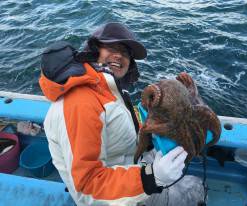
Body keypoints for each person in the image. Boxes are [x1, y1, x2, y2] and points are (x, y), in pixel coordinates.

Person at [39, 22, 204, 206]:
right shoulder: (80, 104)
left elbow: (116, 128)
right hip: (120, 195)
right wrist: (151, 178)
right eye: (111, 47)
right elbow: (87, 187)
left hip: (129, 165)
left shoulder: (108, 88)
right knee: (195, 188)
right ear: (93, 51)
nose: (120, 55)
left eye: (125, 53)